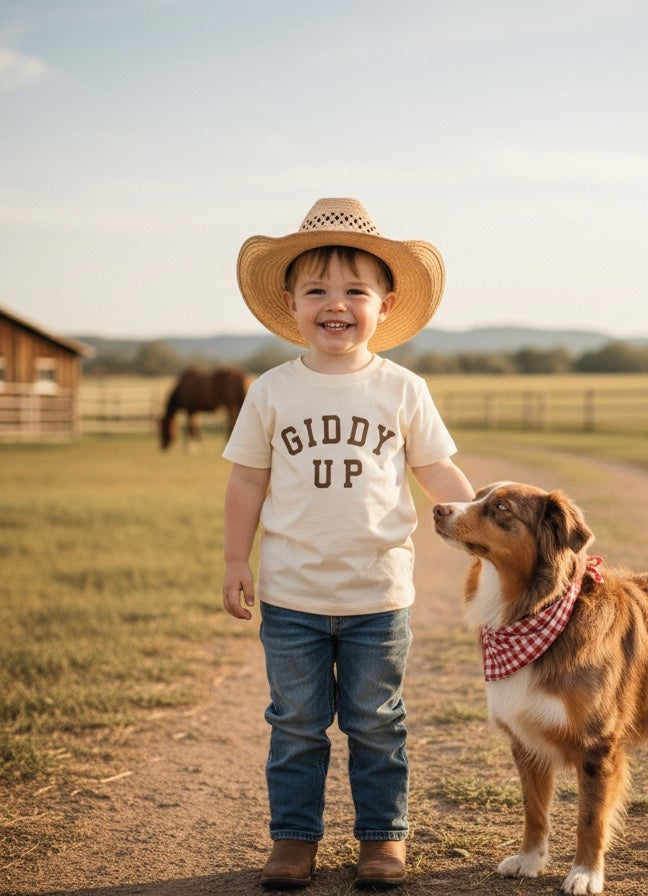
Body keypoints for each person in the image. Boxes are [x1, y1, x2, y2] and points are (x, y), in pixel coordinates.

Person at [222, 198, 475, 890]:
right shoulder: (273, 392)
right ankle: (293, 841)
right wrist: (233, 562)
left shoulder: (401, 388)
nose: (336, 305)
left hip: (378, 596)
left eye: (355, 291)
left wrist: (476, 513)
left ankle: (383, 840)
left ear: (386, 304)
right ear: (291, 302)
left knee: (376, 723)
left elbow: (432, 469)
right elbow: (246, 480)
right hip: (291, 595)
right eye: (318, 291)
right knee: (297, 726)